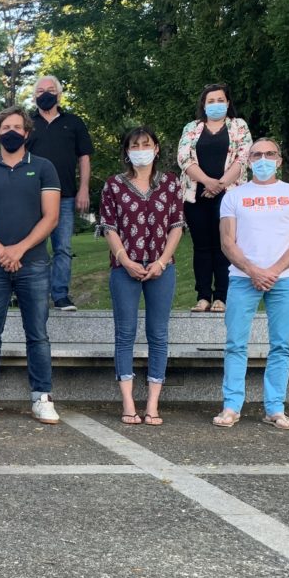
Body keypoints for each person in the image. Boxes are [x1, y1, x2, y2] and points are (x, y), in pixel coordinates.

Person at [0, 107, 63, 424]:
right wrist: (1, 251)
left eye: (17, 127)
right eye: (6, 127)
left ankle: (42, 397)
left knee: (38, 335)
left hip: (33, 263)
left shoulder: (44, 168)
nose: (11, 132)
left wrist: (19, 249)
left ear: (26, 132)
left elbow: (51, 217)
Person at [213, 137, 289, 431]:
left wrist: (274, 271)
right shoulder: (234, 196)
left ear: (279, 160)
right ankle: (232, 406)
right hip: (242, 278)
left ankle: (275, 408)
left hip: (285, 278)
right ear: (248, 161)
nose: (263, 160)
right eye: (256, 155)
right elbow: (227, 242)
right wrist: (253, 271)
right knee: (235, 344)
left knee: (281, 345)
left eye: (269, 154)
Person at [98, 128, 185, 426]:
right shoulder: (114, 185)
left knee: (158, 334)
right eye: (134, 146)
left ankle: (152, 405)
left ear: (156, 148)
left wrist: (162, 261)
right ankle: (128, 403)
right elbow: (109, 227)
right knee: (125, 333)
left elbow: (176, 225)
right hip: (125, 268)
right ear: (126, 151)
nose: (140, 150)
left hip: (161, 267)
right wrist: (125, 260)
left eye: (146, 145)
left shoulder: (170, 183)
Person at [176, 83, 252, 313]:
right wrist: (207, 182)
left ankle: (221, 296)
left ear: (228, 103)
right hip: (196, 195)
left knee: (224, 245)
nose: (216, 104)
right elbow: (184, 158)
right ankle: (203, 296)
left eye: (220, 100)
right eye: (211, 101)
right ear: (204, 104)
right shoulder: (192, 128)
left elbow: (243, 157)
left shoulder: (239, 126)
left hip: (228, 194)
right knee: (201, 246)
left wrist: (220, 184)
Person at [25, 74, 92, 311]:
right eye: (40, 91)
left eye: (50, 90)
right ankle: (34, 295)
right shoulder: (27, 124)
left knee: (62, 248)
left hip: (65, 196)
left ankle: (61, 294)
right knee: (33, 247)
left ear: (59, 95)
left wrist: (84, 188)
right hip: (32, 197)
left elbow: (84, 158)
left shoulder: (74, 122)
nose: (45, 94)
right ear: (34, 96)